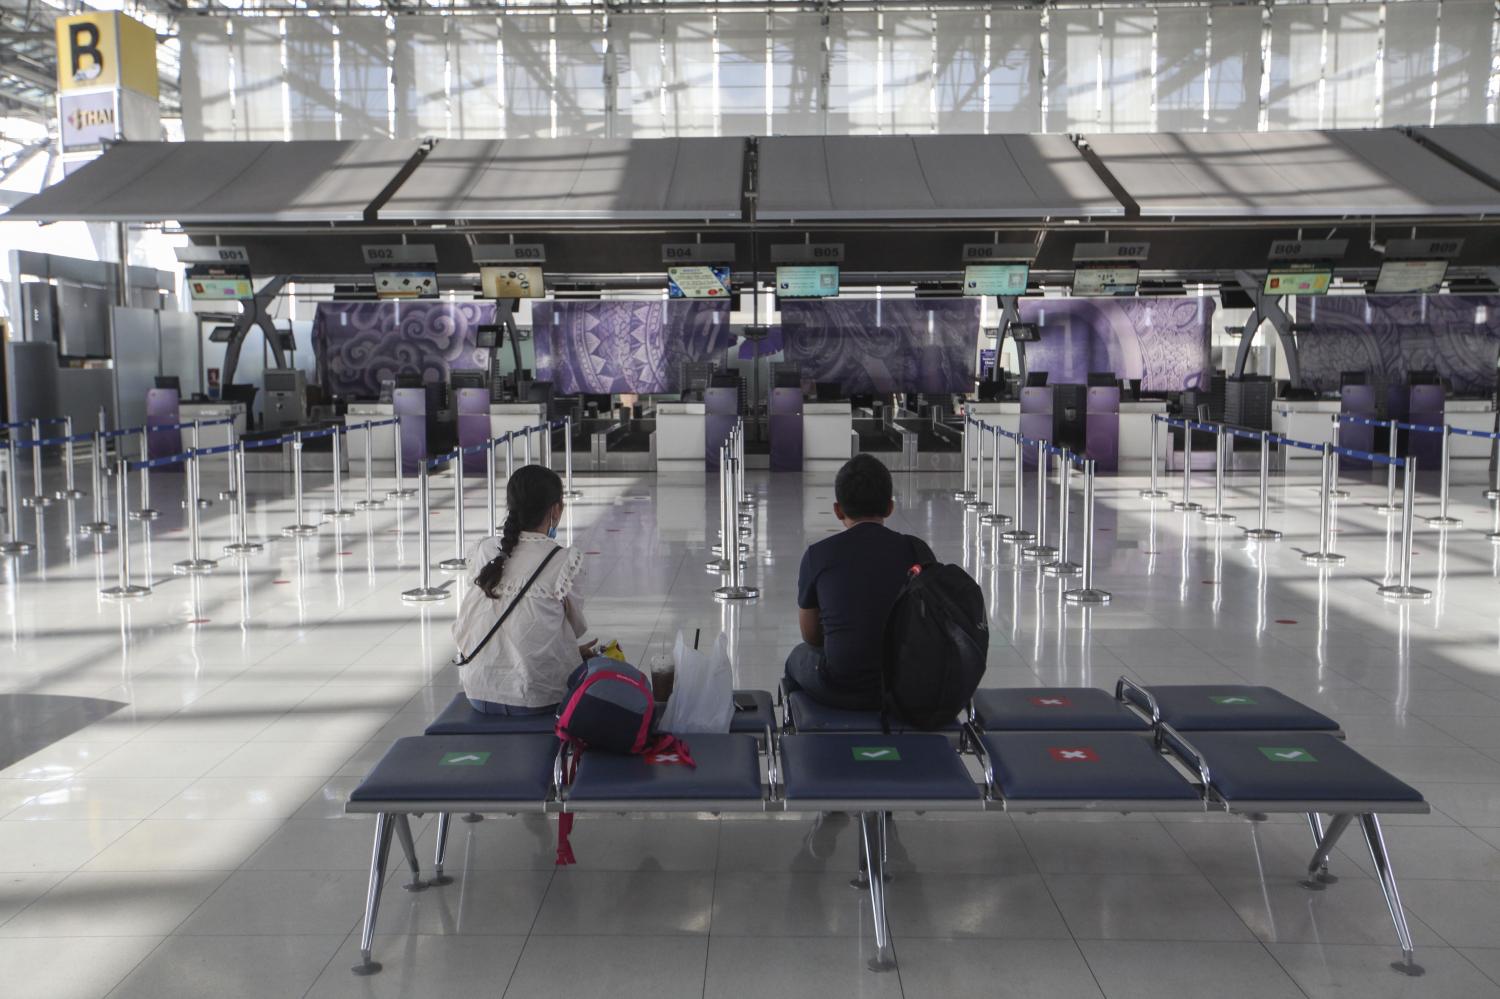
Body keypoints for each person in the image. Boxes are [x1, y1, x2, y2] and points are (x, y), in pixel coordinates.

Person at [784, 453, 935, 710]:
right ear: (889, 507)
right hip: (907, 684)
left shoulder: (818, 555)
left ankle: (804, 731)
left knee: (797, 658)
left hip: (841, 686)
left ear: (838, 510)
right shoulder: (917, 551)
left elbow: (811, 635)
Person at [451, 465, 594, 715]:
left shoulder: (484, 550)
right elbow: (577, 627)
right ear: (556, 510)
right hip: (538, 696)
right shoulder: (564, 561)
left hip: (479, 690)